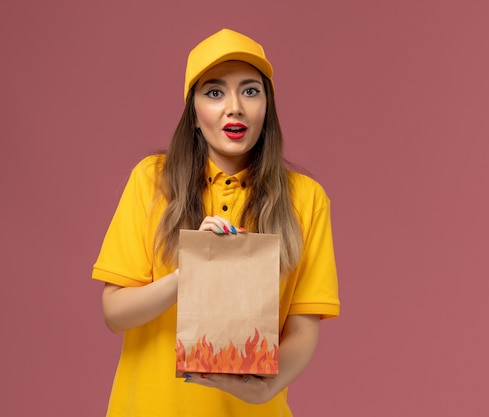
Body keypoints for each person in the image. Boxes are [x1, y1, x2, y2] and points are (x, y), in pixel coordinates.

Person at [92, 28, 340, 416]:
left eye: (251, 90)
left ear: (267, 107)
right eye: (214, 92)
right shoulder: (151, 180)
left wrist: (265, 389)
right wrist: (190, 273)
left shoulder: (306, 199)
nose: (235, 107)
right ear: (193, 112)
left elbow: (305, 328)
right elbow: (115, 313)